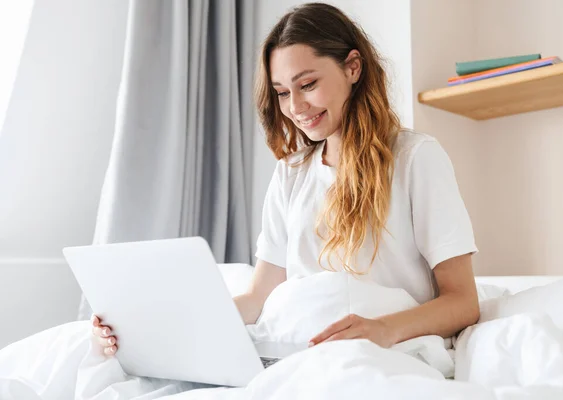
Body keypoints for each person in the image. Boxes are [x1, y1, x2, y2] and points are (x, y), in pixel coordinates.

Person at [92, 2, 480, 357]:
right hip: (294, 349)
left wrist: (381, 330)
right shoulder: (291, 173)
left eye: (308, 84)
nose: (295, 107)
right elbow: (259, 297)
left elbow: (462, 301)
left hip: (382, 352)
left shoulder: (415, 159)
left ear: (353, 67)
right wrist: (154, 327)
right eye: (282, 92)